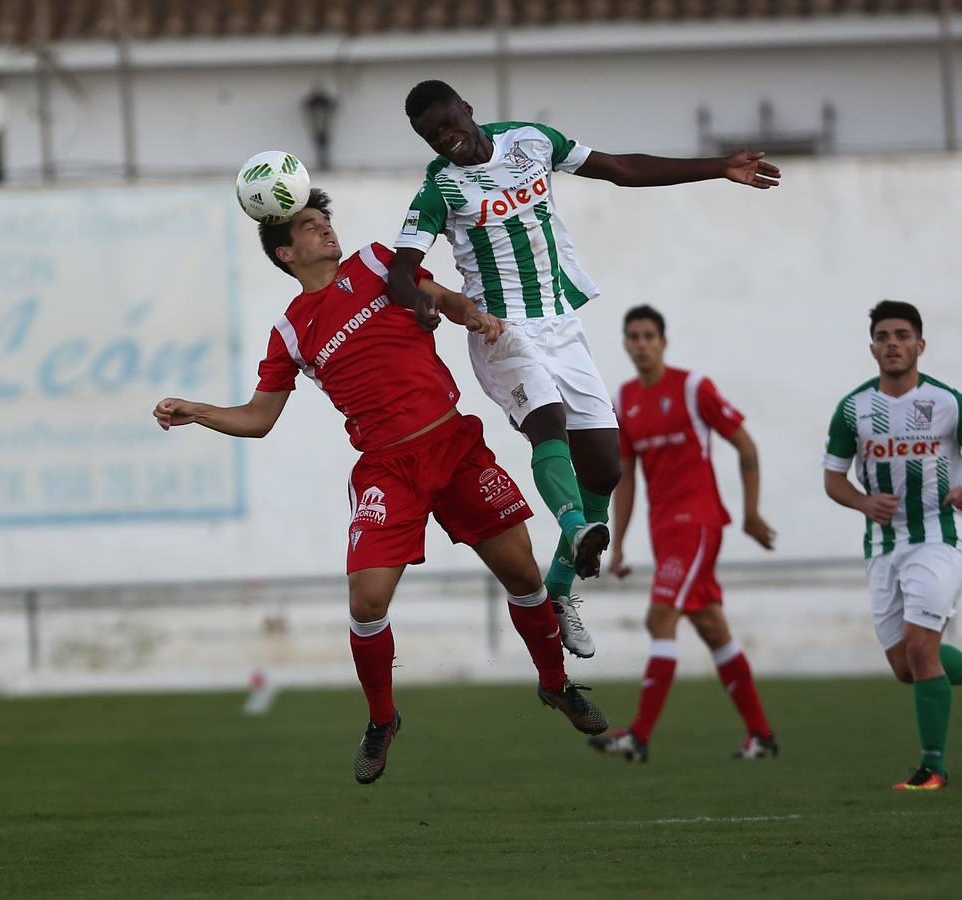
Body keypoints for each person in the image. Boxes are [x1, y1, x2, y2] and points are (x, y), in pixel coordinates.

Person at [151, 189, 607, 785]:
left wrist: (470, 313)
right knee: (366, 602)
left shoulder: (376, 263)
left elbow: (440, 297)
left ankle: (555, 685)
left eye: (325, 220)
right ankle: (382, 720)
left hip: (454, 445)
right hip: (387, 469)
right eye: (311, 227)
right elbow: (259, 419)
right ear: (286, 252)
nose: (326, 231)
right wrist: (197, 410)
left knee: (522, 574)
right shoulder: (290, 332)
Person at [385, 79, 781, 659]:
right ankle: (574, 527)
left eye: (451, 125)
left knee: (604, 468)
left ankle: (560, 589)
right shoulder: (439, 189)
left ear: (469, 111)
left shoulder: (531, 141)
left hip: (561, 325)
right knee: (545, 420)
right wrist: (421, 302)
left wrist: (719, 166)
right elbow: (401, 268)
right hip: (501, 330)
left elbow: (620, 167)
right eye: (433, 137)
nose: (448, 141)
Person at [821, 300, 962, 791]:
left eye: (902, 335)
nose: (892, 343)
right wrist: (863, 503)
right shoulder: (854, 408)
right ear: (872, 346)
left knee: (919, 648)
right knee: (905, 666)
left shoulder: (947, 402)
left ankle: (933, 767)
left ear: (920, 345)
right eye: (883, 336)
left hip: (939, 538)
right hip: (883, 546)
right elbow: (833, 478)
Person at [586, 305, 777, 762]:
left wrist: (750, 512)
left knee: (659, 619)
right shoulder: (626, 399)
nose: (642, 343)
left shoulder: (693, 388)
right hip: (664, 531)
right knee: (713, 629)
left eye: (649, 335)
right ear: (626, 344)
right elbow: (626, 477)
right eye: (633, 336)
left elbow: (744, 443)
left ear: (663, 341)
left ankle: (638, 736)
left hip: (699, 524)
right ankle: (761, 735)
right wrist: (620, 540)